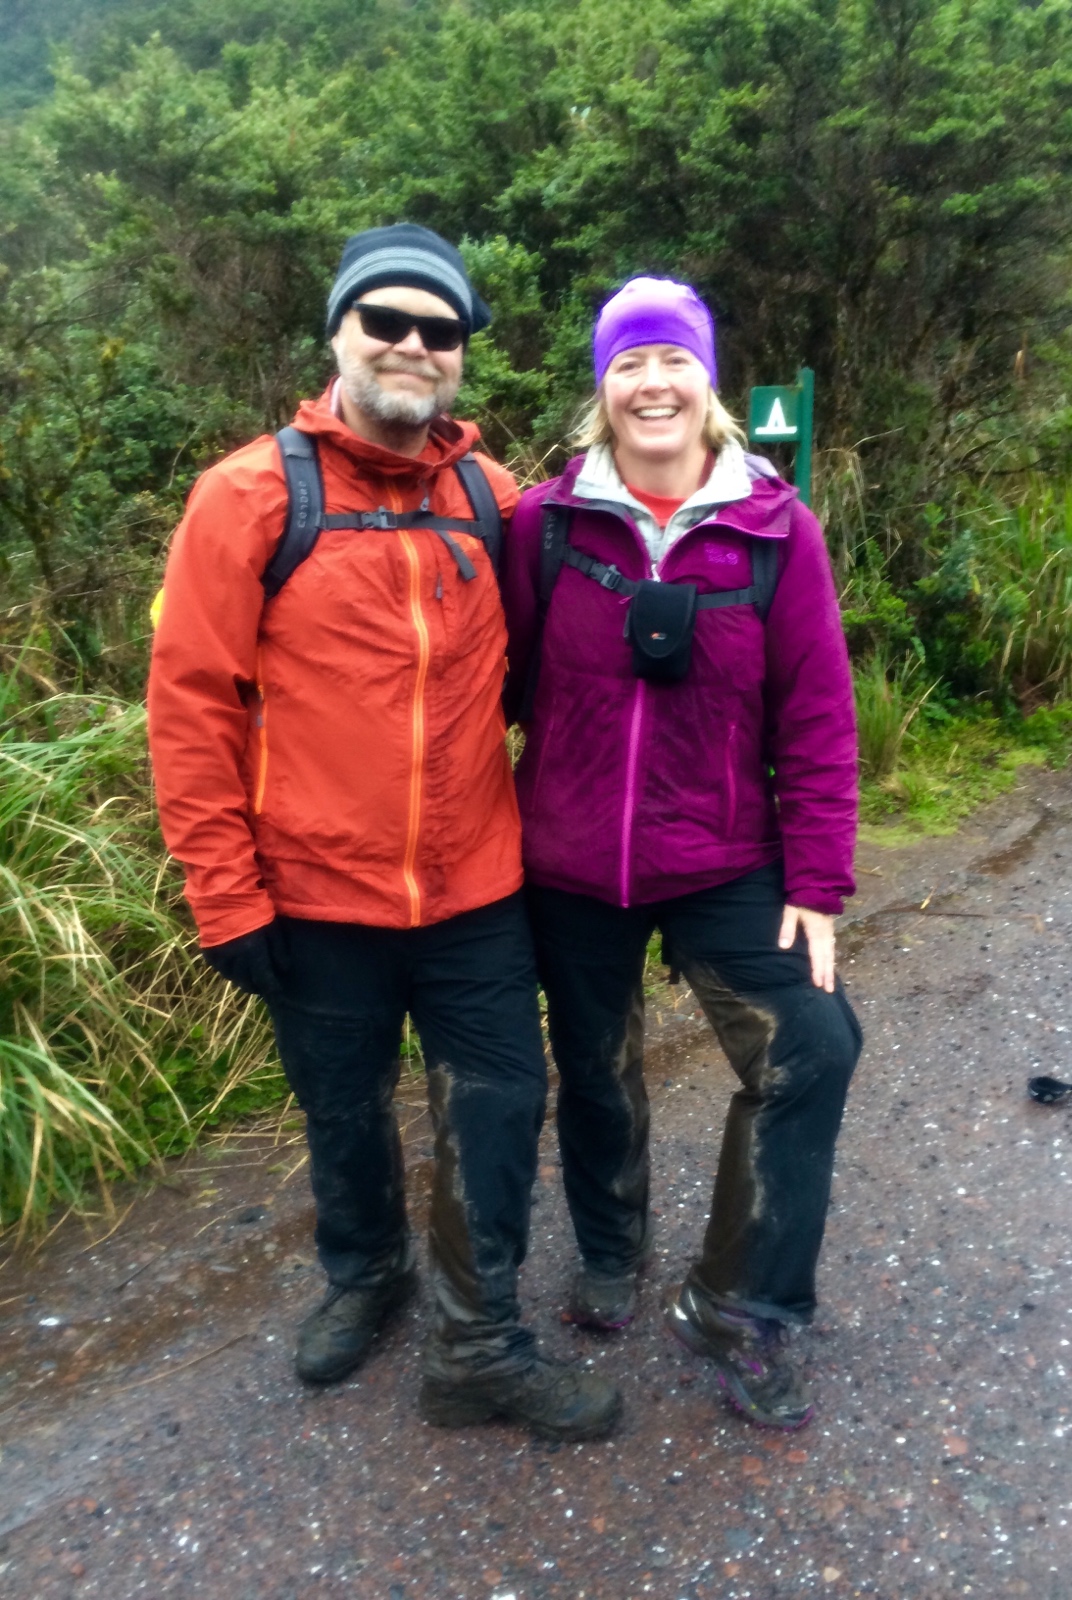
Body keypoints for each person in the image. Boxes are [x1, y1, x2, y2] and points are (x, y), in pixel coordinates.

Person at [147, 223, 619, 1443]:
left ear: (461, 355)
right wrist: (224, 893)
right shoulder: (249, 495)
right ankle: (368, 1275)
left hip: (476, 890)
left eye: (439, 330)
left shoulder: (493, 497)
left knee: (501, 1102)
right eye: (388, 322)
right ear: (339, 336)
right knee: (342, 1106)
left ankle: (478, 1337)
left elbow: (595, 584)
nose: (414, 345)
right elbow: (192, 705)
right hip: (313, 895)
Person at [502, 276, 863, 1430]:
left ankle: (744, 1301)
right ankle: (611, 1250)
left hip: (724, 857)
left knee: (814, 1043)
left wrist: (816, 880)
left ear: (706, 382)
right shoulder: (543, 528)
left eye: (673, 361)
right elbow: (486, 690)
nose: (651, 382)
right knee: (597, 1068)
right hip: (568, 862)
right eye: (627, 364)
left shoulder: (776, 531)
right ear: (601, 390)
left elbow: (818, 713)